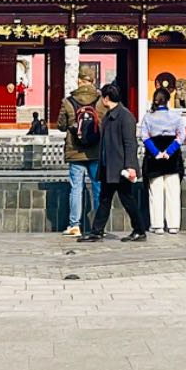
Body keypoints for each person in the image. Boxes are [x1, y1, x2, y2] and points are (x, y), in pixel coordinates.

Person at [84, 82, 147, 242]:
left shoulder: (125, 116)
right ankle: (97, 231)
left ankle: (139, 230)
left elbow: (130, 143)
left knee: (127, 198)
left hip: (120, 167)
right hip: (109, 166)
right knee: (105, 199)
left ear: (106, 98)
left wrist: (130, 166)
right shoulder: (109, 116)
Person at [57, 69, 105, 238]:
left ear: (79, 81)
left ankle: (74, 225)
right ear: (93, 81)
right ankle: (98, 226)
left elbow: (61, 126)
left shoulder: (68, 101)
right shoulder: (101, 101)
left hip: (75, 150)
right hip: (96, 151)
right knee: (98, 188)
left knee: (76, 188)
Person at [140, 89, 185, 235]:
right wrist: (169, 151)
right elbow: (182, 136)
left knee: (155, 193)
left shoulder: (148, 117)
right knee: (173, 192)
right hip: (172, 158)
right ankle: (173, 225)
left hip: (154, 158)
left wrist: (156, 153)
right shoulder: (176, 116)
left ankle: (157, 225)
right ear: (168, 100)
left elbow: (144, 137)